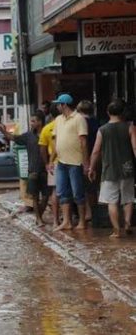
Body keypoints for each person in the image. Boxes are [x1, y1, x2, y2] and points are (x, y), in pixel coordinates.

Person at [89, 99, 136, 238]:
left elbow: (96, 151)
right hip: (127, 168)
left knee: (112, 201)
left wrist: (91, 167)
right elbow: (135, 147)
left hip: (109, 170)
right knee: (128, 199)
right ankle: (127, 223)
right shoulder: (129, 127)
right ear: (122, 112)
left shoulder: (102, 130)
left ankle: (116, 230)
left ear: (108, 112)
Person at [0, 111, 49, 227]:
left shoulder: (48, 133)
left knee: (45, 197)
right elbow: (12, 137)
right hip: (33, 170)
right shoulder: (29, 135)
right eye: (31, 121)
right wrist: (3, 131)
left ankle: (39, 216)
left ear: (40, 122)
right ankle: (38, 219)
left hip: (46, 170)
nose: (31, 123)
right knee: (35, 196)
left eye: (33, 121)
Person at [51, 93, 89, 231]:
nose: (57, 106)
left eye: (58, 104)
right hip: (61, 161)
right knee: (62, 192)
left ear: (64, 104)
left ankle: (82, 222)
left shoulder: (79, 119)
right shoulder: (58, 119)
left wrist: (86, 162)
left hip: (76, 162)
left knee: (78, 192)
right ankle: (67, 221)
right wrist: (51, 160)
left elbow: (83, 142)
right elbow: (56, 141)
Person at [77, 100, 99, 223]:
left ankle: (88, 213)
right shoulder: (96, 122)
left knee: (85, 187)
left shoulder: (80, 122)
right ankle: (94, 211)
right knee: (92, 187)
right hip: (95, 156)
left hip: (83, 157)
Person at [38, 103, 61, 224]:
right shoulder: (65, 125)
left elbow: (42, 147)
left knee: (55, 191)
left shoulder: (47, 129)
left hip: (54, 164)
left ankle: (56, 219)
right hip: (68, 160)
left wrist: (46, 163)